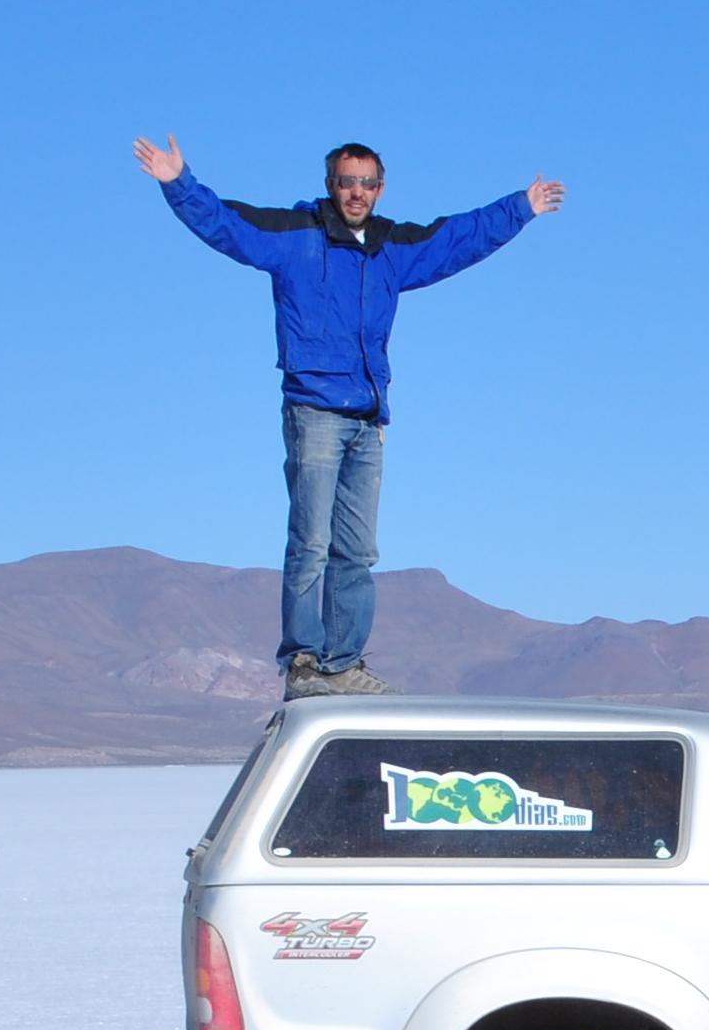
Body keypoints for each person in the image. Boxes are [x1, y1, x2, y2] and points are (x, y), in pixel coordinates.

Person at [134, 135, 565, 698]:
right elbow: (227, 226)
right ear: (330, 185)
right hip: (314, 410)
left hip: (368, 418)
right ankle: (305, 663)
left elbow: (457, 239)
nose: (356, 192)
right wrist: (178, 182)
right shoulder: (295, 238)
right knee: (310, 541)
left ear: (380, 189)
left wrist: (519, 208)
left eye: (366, 183)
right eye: (346, 181)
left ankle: (343, 663)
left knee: (358, 552)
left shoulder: (390, 249)